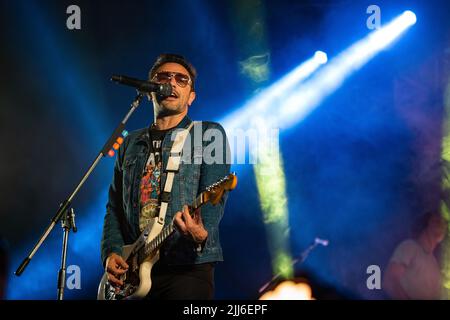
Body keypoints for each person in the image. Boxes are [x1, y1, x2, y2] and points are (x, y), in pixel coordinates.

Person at [101, 53, 230, 299]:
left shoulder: (208, 134)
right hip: (134, 272)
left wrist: (202, 233)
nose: (171, 83)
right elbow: (114, 209)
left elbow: (215, 198)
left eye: (181, 79)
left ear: (191, 96)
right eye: (163, 77)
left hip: (187, 268)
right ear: (151, 89)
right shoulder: (130, 143)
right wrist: (111, 251)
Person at [383, 211, 447, 299]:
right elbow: (389, 281)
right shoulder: (409, 247)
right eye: (436, 221)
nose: (442, 226)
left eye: (444, 224)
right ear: (425, 225)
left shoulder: (435, 266)